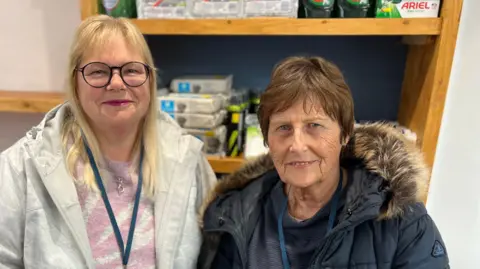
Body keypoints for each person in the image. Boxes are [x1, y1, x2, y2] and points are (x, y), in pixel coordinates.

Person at [0, 15, 217, 269]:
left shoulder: (188, 161)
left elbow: (214, 255)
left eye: (132, 70)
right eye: (98, 71)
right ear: (75, 83)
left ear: (151, 80)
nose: (116, 83)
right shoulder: (21, 169)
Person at [197, 56, 449, 269]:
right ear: (267, 139)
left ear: (345, 133)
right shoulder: (234, 216)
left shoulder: (401, 220)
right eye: (283, 127)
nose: (297, 145)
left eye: (314, 126)